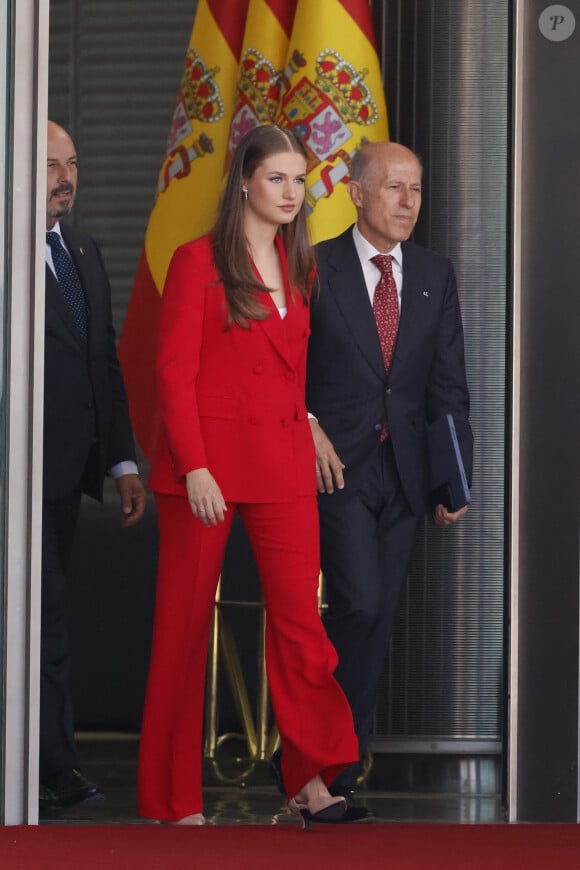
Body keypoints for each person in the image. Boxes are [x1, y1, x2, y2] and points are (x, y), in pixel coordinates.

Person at [137, 124, 360, 828]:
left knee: (301, 627)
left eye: (299, 180)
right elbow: (173, 375)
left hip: (284, 463)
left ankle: (311, 781)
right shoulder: (196, 260)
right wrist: (196, 465)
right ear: (243, 182)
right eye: (277, 179)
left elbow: (291, 375)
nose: (292, 192)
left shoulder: (302, 266)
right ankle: (174, 801)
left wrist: (314, 424)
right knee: (182, 629)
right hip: (204, 471)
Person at [306, 140, 473, 797]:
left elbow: (447, 387)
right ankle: (322, 753)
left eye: (418, 189)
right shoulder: (315, 267)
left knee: (376, 617)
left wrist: (451, 480)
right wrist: (310, 428)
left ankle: (335, 766)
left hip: (404, 472)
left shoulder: (435, 273)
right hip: (336, 469)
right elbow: (286, 370)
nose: (409, 202)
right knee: (360, 601)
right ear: (356, 191)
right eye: (395, 188)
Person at [42, 121, 147, 815]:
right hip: (14, 472)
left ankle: (47, 763)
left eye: (72, 163)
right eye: (51, 164)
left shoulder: (81, 248)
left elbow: (102, 362)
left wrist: (122, 459)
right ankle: (54, 768)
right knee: (41, 619)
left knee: (48, 618)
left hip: (66, 470)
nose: (66, 177)